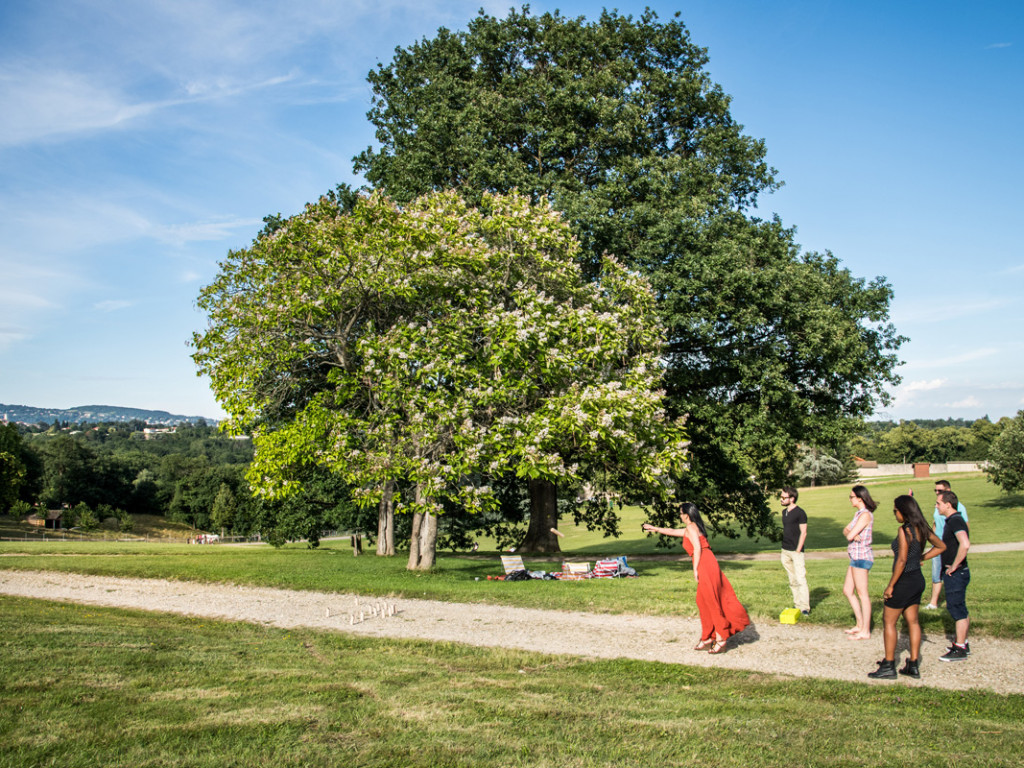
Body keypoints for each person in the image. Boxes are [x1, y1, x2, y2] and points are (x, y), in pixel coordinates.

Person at [643, 502, 750, 653]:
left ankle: (720, 638)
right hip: (705, 561)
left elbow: (698, 548)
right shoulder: (691, 528)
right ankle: (708, 637)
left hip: (705, 563)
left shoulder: (691, 527)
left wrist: (695, 569)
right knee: (702, 600)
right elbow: (672, 530)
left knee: (711, 600)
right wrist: (654, 528)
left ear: (686, 514)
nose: (679, 516)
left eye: (680, 513)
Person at [867, 495, 946, 679]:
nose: (894, 514)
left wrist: (890, 586)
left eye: (895, 511)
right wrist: (920, 558)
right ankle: (913, 663)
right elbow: (941, 546)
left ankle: (888, 665)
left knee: (889, 622)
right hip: (917, 580)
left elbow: (901, 560)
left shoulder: (905, 531)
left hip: (903, 580)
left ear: (903, 512)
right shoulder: (922, 528)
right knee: (913, 622)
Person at [937, 490, 972, 661]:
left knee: (956, 609)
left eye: (938, 503)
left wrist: (954, 566)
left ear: (947, 504)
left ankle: (959, 649)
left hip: (956, 573)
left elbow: (964, 544)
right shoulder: (953, 520)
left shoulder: (955, 520)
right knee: (961, 608)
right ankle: (963, 642)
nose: (937, 506)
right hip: (959, 572)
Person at [925, 479, 968, 610]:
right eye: (936, 490)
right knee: (936, 573)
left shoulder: (958, 508)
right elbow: (935, 522)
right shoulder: (939, 506)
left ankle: (954, 605)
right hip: (938, 544)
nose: (937, 492)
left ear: (948, 491)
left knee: (950, 573)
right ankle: (934, 603)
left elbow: (964, 528)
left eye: (940, 490)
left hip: (949, 545)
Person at [843, 485, 876, 640]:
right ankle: (859, 623)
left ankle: (866, 630)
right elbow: (845, 530)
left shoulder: (865, 515)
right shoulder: (858, 514)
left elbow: (849, 535)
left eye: (852, 497)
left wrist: (851, 533)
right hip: (855, 556)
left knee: (863, 594)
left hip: (862, 557)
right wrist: (851, 533)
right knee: (848, 590)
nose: (850, 499)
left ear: (859, 498)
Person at [779, 486, 810, 615]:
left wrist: (798, 550)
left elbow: (804, 533)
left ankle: (804, 608)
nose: (780, 499)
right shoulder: (784, 512)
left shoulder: (800, 513)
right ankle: (797, 605)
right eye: (780, 497)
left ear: (792, 498)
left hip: (796, 551)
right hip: (785, 550)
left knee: (800, 579)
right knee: (792, 580)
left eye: (783, 497)